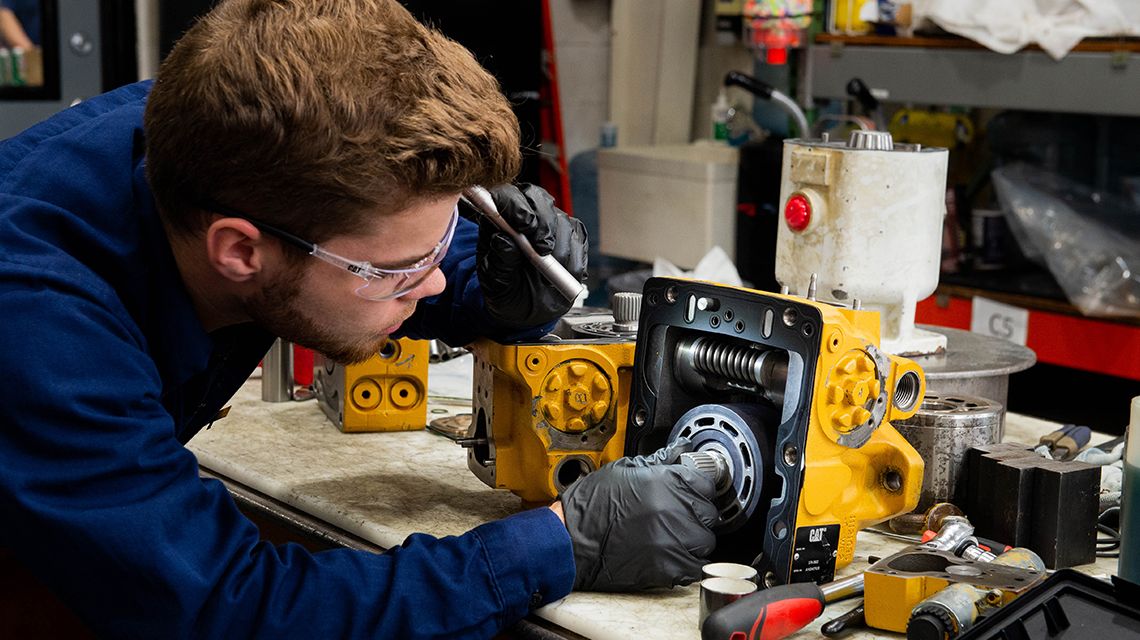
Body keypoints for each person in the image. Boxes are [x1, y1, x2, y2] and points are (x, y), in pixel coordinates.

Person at [0, 0, 719, 637]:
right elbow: (228, 609)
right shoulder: (39, 324)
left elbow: (359, 246)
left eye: (445, 238)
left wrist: (484, 283)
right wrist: (562, 545)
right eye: (401, 272)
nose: (431, 278)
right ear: (240, 252)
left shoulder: (233, 127)